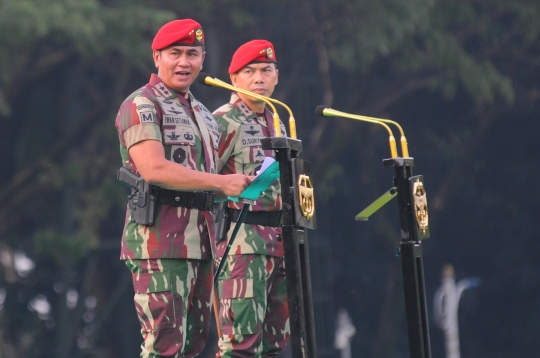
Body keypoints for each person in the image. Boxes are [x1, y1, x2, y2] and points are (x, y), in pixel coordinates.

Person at [114, 19, 251, 358]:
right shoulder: (142, 104)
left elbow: (206, 178)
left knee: (192, 346)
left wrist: (246, 185)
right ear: (157, 57)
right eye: (175, 53)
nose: (184, 62)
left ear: (203, 59)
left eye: (193, 54)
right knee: (163, 346)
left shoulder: (205, 115)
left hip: (203, 242)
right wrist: (222, 182)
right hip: (160, 241)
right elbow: (154, 168)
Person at [213, 40, 289, 357]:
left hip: (279, 241)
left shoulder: (277, 119)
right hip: (240, 244)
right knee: (240, 345)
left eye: (265, 70)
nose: (259, 78)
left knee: (275, 344)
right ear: (234, 78)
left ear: (276, 76)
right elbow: (202, 180)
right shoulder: (223, 120)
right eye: (250, 71)